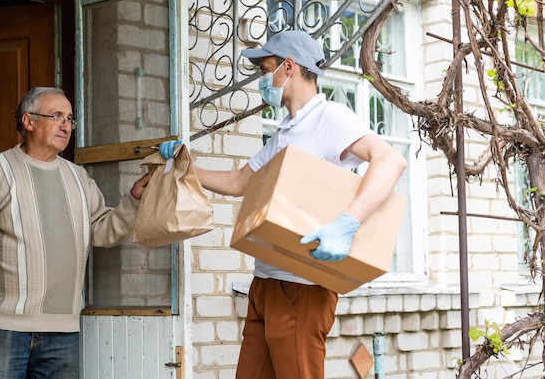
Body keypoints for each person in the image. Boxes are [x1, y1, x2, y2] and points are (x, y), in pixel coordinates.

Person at [160, 30, 407, 379]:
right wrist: (185, 165)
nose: (262, 78)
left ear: (289, 67)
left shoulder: (329, 118)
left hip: (303, 287)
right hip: (265, 283)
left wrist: (347, 222)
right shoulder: (284, 132)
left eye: (266, 69)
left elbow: (390, 161)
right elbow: (238, 182)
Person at [0, 86, 151, 379]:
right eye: (56, 116)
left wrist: (133, 200)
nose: (66, 125)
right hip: (4, 330)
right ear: (28, 121)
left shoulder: (78, 177)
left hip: (63, 334)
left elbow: (102, 232)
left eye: (70, 118)